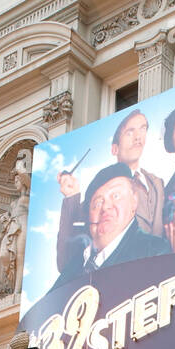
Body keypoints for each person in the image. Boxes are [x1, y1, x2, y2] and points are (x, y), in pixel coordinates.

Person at [56, 110, 165, 269]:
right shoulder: (98, 195)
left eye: (142, 129)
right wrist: (71, 197)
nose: (138, 136)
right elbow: (66, 260)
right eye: (129, 132)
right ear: (114, 149)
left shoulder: (157, 183)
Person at [50, 163, 170, 292]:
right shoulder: (73, 267)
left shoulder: (156, 253)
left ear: (134, 201)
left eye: (116, 196)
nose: (106, 206)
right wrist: (71, 195)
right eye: (97, 203)